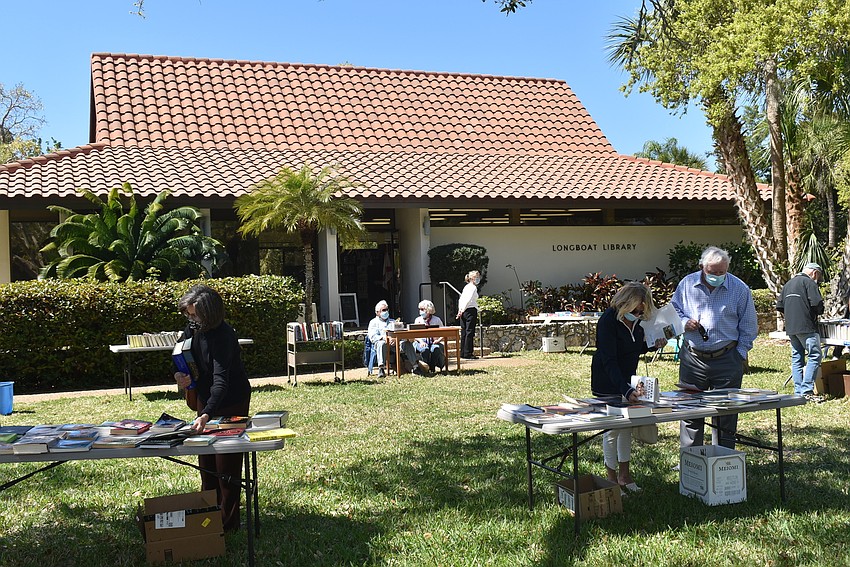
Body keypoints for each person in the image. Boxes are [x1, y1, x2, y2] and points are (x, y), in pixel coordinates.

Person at [173, 284, 251, 533]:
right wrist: (179, 375)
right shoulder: (192, 328)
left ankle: (228, 524)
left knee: (226, 466)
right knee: (206, 463)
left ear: (209, 313)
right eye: (188, 315)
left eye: (195, 315)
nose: (191, 320)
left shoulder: (224, 336)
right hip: (206, 398)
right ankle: (207, 520)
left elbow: (221, 380)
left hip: (231, 400)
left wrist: (207, 413)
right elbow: (179, 353)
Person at [671, 246, 758, 449]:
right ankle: (691, 458)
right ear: (702, 267)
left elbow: (749, 325)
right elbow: (673, 310)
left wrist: (739, 355)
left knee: (726, 415)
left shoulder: (739, 288)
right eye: (712, 272)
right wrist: (684, 322)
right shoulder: (687, 284)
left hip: (727, 358)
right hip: (693, 358)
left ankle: (724, 458)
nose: (717, 276)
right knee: (690, 412)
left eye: (722, 272)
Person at [591, 282, 666, 493]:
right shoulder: (608, 320)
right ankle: (611, 479)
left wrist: (652, 345)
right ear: (624, 304)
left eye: (641, 312)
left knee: (627, 428)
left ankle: (624, 475)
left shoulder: (638, 322)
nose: (638, 315)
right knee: (613, 430)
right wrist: (624, 389)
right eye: (635, 311)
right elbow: (609, 359)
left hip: (629, 381)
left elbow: (634, 347)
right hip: (608, 382)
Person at [776, 263, 825, 402]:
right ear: (815, 273)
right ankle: (807, 390)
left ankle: (798, 391)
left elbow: (780, 306)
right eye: (819, 276)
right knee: (815, 355)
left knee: (797, 357)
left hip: (791, 328)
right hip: (807, 327)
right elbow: (817, 304)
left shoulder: (788, 284)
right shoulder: (809, 283)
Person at [412, 300, 446, 372]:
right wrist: (421, 341)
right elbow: (414, 335)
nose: (420, 311)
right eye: (419, 309)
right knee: (425, 349)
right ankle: (425, 368)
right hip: (421, 342)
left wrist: (438, 340)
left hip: (434, 342)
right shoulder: (418, 320)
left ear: (428, 310)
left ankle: (432, 366)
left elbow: (443, 333)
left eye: (422, 309)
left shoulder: (437, 320)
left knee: (436, 348)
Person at [368, 300, 396, 378]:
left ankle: (415, 366)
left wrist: (395, 339)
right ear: (377, 312)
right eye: (383, 310)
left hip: (394, 344)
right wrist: (384, 338)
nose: (386, 312)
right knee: (381, 343)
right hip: (381, 343)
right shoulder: (373, 322)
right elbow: (373, 337)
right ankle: (381, 368)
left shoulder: (393, 321)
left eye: (387, 309)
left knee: (406, 343)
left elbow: (398, 333)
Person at [456, 270, 480, 359]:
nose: (478, 279)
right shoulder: (473, 288)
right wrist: (462, 310)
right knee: (470, 332)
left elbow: (461, 299)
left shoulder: (466, 287)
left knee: (464, 332)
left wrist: (460, 310)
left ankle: (463, 352)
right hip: (470, 310)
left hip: (464, 311)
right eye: (477, 277)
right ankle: (468, 353)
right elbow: (468, 299)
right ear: (472, 278)